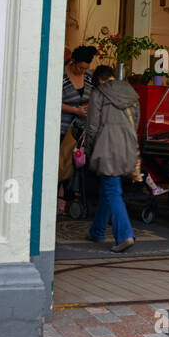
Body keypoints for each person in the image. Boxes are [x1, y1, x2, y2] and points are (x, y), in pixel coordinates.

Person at [85, 64, 140, 252]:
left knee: (112, 190)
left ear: (99, 80)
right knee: (108, 189)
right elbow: (137, 121)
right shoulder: (131, 92)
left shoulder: (99, 93)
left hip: (106, 146)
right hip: (128, 145)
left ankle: (125, 235)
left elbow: (92, 126)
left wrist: (89, 150)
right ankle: (97, 230)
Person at [58, 45, 95, 215]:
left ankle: (70, 200)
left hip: (82, 130)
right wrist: (75, 110)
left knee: (77, 165)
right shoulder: (61, 75)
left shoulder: (89, 77)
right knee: (62, 163)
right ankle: (58, 199)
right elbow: (52, 100)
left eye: (86, 68)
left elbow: (94, 96)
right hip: (63, 127)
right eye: (80, 67)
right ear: (73, 62)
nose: (82, 71)